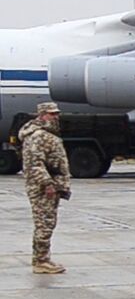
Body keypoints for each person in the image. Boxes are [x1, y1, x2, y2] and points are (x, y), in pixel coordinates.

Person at [21, 102, 70, 274]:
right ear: (42, 115)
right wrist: (47, 184)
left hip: (51, 185)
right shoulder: (38, 136)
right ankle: (41, 261)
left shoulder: (48, 134)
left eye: (56, 113)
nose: (55, 116)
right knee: (45, 223)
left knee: (47, 222)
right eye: (51, 114)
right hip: (43, 188)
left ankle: (42, 258)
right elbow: (35, 164)